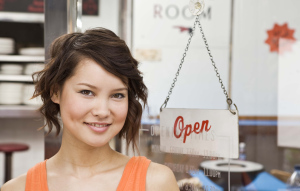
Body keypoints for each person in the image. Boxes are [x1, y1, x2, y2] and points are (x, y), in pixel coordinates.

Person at [1, 28, 179, 191]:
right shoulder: (17, 188)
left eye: (117, 95)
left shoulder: (156, 182)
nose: (102, 111)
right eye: (87, 92)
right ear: (55, 91)